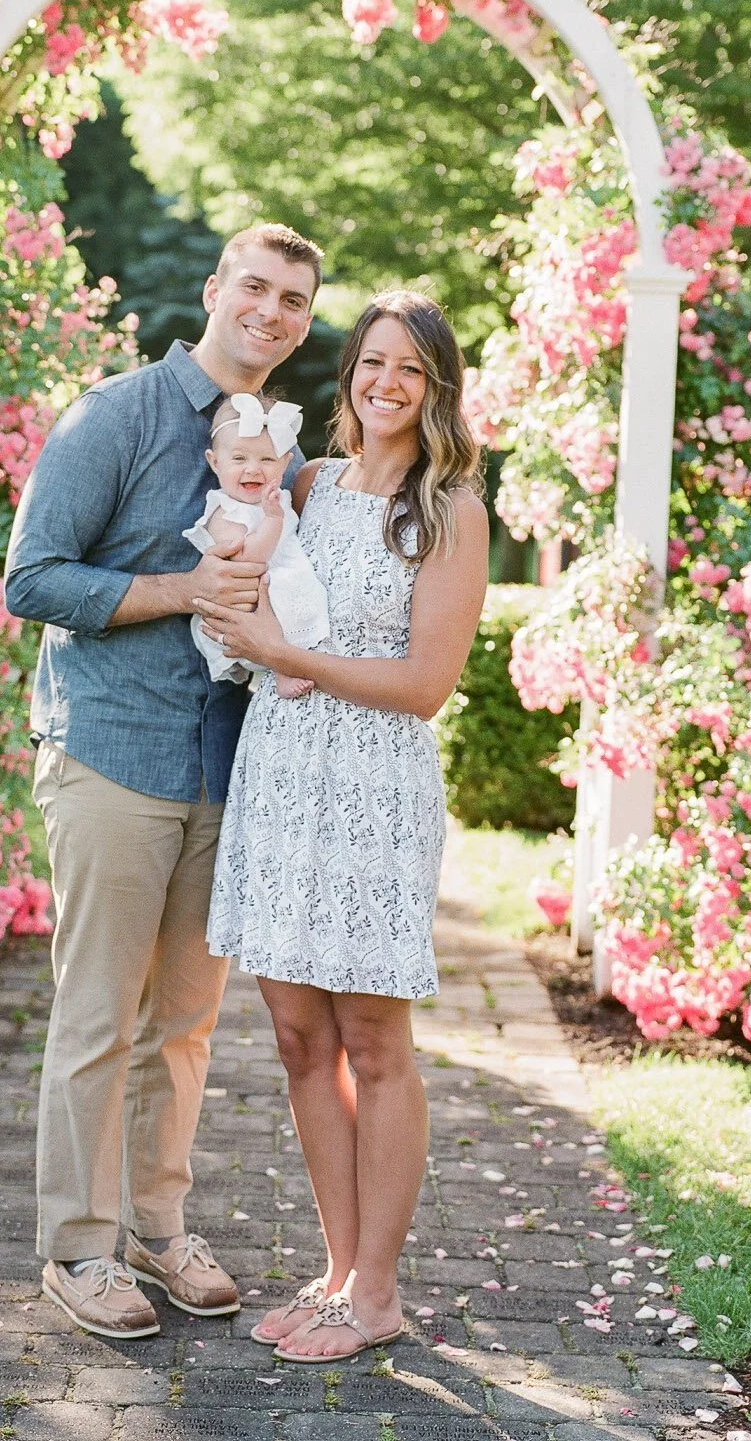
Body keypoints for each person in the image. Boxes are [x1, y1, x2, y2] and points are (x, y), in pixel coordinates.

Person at [3, 221, 323, 1340]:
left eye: (293, 299)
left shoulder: (278, 454)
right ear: (213, 288)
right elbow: (32, 577)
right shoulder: (115, 415)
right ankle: (79, 1251)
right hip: (109, 751)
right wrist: (182, 589)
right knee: (98, 1013)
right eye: (256, 286)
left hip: (223, 764)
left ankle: (157, 1229)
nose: (271, 311)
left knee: (184, 1024)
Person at [195, 290, 488, 1363]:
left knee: (375, 1038)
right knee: (296, 1038)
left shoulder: (449, 508)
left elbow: (422, 687)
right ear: (349, 375)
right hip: (281, 776)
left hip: (374, 787)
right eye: (372, 363)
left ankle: (377, 1294)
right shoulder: (306, 485)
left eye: (409, 368)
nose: (386, 384)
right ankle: (333, 1272)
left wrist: (286, 657)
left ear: (436, 386)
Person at [183, 392, 329, 699]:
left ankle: (301, 656)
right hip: (244, 606)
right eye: (239, 459)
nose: (253, 469)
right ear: (215, 462)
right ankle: (281, 670)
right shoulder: (224, 511)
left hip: (282, 583)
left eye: (267, 459)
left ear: (285, 463)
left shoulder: (279, 498)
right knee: (272, 596)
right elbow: (249, 561)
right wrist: (273, 519)